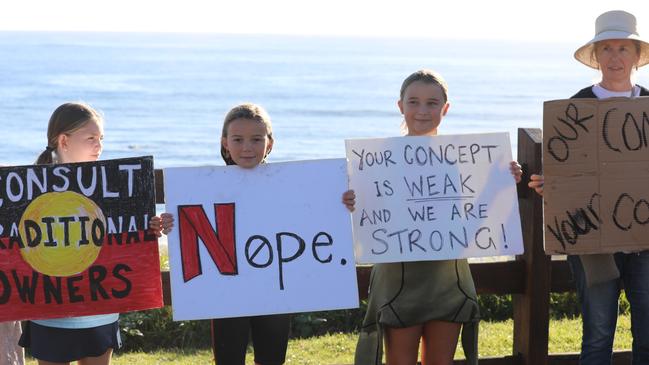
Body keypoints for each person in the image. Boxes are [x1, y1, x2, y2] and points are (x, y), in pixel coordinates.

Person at [347, 69, 522, 365]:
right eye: (413, 102)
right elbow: (364, 210)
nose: (422, 111)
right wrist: (350, 200)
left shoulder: (465, 157)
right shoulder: (376, 159)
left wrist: (504, 179)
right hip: (398, 279)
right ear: (400, 106)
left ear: (446, 108)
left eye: (432, 103)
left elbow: (479, 212)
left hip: (448, 278)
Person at [528, 10, 649, 365]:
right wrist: (550, 185)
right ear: (596, 56)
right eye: (607, 49)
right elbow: (565, 170)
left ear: (637, 55)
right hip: (592, 238)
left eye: (623, 49)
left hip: (645, 240)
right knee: (597, 335)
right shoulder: (575, 107)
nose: (615, 57)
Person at [18, 102, 173, 365]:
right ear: (64, 141)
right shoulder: (29, 189)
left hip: (100, 309)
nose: (99, 146)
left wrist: (151, 230)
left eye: (100, 138)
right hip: (50, 310)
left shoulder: (114, 186)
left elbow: (124, 236)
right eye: (91, 138)